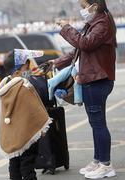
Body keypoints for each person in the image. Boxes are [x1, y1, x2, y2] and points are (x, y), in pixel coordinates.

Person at [50, 0, 117, 178]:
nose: (82, 10)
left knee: (98, 124)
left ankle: (105, 164)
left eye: (83, 6)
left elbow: (84, 44)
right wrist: (55, 62)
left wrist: (66, 28)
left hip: (97, 79)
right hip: (93, 78)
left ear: (94, 5)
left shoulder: (101, 23)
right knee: (96, 124)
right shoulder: (95, 23)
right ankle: (98, 160)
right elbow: (80, 51)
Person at [0, 49, 51, 180]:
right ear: (16, 71)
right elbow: (34, 109)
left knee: (14, 163)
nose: (29, 70)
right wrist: (41, 128)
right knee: (28, 165)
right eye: (26, 67)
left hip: (13, 134)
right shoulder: (24, 86)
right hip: (27, 134)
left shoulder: (6, 88)